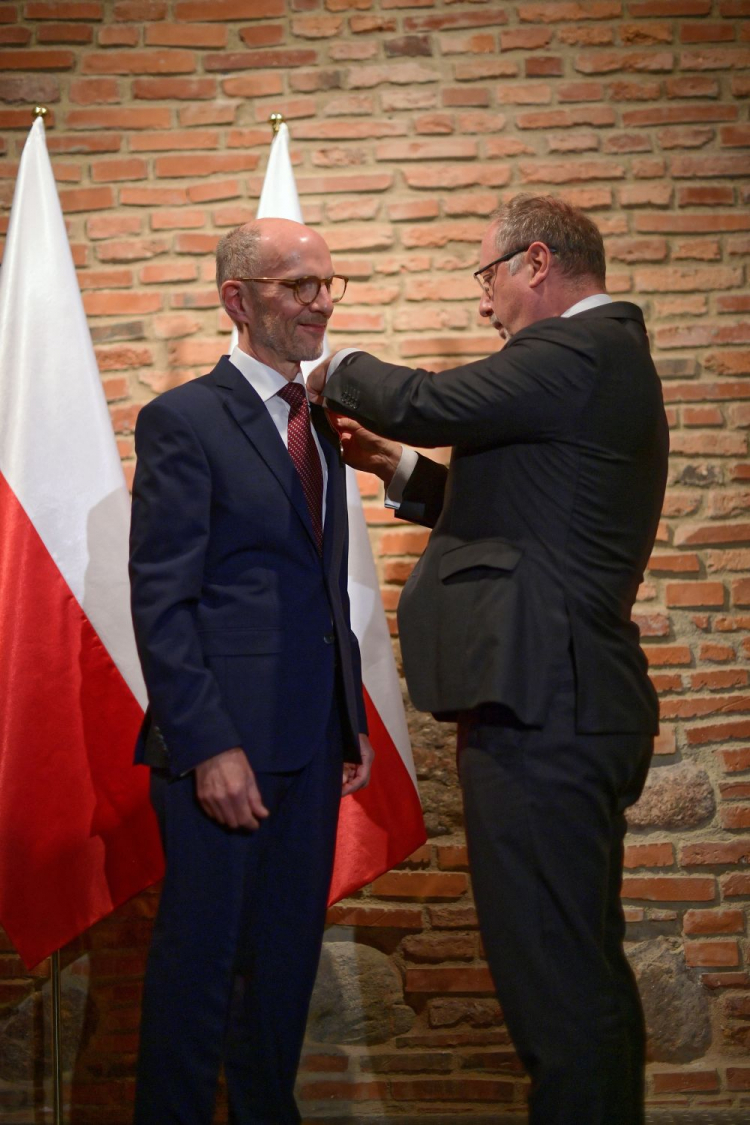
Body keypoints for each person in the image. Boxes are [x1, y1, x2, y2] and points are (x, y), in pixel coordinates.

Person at [309, 194, 668, 1125]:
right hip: (561, 698)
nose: (485, 304)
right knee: (571, 964)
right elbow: (525, 513)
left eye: (488, 278)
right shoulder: (597, 362)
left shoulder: (579, 349)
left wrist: (330, 360)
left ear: (536, 262)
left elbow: (429, 399)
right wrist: (396, 471)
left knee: (555, 981)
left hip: (547, 703)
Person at [128, 217, 373, 1125]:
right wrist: (209, 747)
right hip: (223, 754)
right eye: (296, 286)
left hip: (310, 745)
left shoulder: (326, 425)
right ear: (238, 299)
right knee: (198, 983)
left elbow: (316, 584)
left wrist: (346, 720)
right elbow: (163, 598)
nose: (319, 302)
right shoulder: (182, 419)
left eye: (327, 284)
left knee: (279, 982)